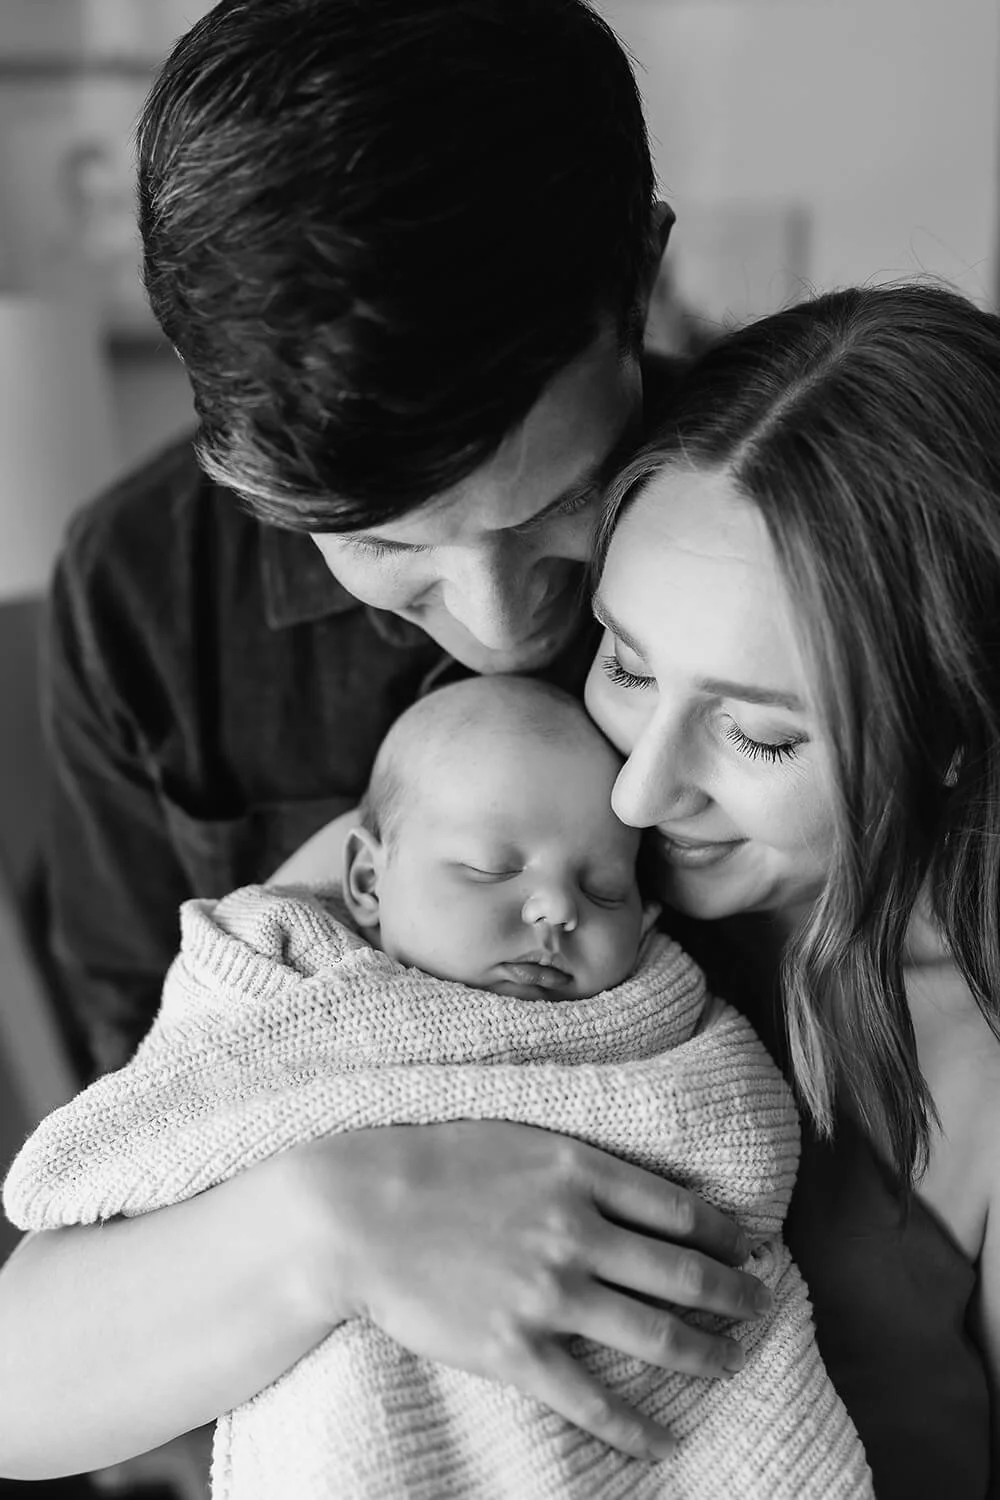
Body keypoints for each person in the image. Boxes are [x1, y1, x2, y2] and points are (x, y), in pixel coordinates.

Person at [0, 0, 765, 1482]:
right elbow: (72, 1293)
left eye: (556, 504)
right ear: (241, 461)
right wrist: (339, 1221)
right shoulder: (151, 594)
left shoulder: (793, 521)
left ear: (641, 276)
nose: (491, 620)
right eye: (395, 555)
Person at [5, 677, 871, 1499]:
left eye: (603, 887)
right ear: (369, 883)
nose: (554, 910)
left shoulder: (660, 1012)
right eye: (493, 871)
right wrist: (335, 1221)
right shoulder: (293, 987)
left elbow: (732, 1140)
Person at [583, 281, 1000, 1498]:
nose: (638, 794)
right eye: (621, 660)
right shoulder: (494, 829)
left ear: (953, 739)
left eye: (759, 738)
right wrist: (338, 1222)